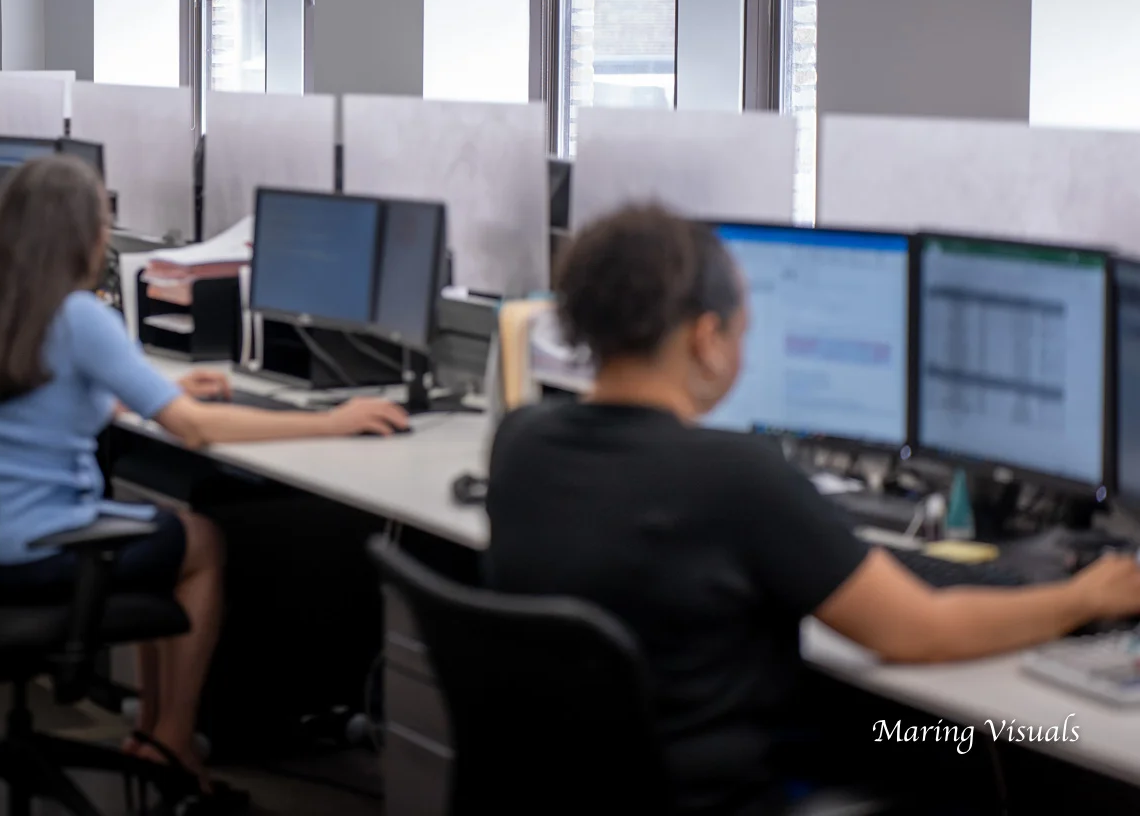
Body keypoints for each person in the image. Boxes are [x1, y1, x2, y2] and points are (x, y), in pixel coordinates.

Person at [483, 204, 1140, 816]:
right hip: (725, 799)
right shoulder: (738, 477)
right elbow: (920, 630)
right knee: (958, 760)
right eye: (743, 328)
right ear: (707, 339)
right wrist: (1081, 597)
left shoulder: (520, 441)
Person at [0, 155, 409, 801]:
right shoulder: (79, 314)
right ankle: (173, 739)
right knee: (201, 542)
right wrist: (332, 422)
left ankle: (152, 731)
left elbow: (50, 397)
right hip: (43, 547)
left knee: (161, 528)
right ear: (80, 233)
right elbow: (192, 430)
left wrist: (157, 388)